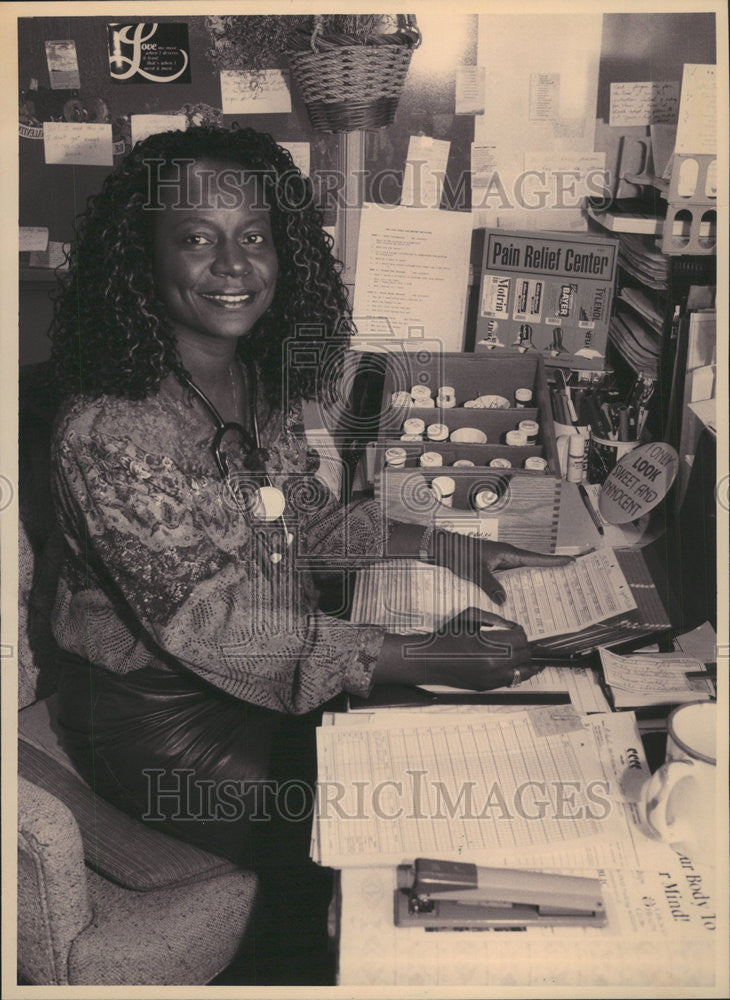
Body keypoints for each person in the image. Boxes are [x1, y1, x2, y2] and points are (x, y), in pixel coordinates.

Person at [48, 124, 569, 982]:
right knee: (396, 819)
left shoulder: (247, 374)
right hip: (158, 717)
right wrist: (419, 653)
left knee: (443, 747)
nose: (233, 265)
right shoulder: (110, 429)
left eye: (254, 238)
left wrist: (443, 543)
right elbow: (212, 622)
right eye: (197, 239)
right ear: (143, 258)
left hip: (259, 666)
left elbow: (296, 517)